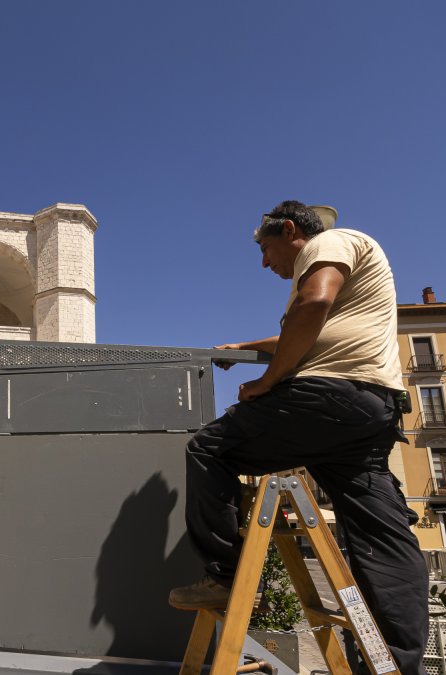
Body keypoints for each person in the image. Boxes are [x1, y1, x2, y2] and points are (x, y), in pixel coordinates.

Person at [168, 201, 428, 673]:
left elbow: (314, 304)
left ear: (289, 229)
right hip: (370, 411)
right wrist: (248, 347)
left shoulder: (330, 242)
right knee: (382, 539)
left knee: (208, 450)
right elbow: (316, 327)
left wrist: (268, 381)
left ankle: (224, 575)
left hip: (329, 397)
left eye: (266, 249)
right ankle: (395, 665)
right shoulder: (353, 265)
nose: (265, 263)